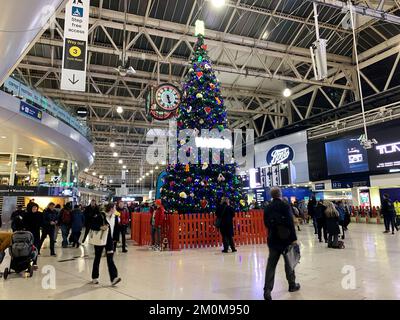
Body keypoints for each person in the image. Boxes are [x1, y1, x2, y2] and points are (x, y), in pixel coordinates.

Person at [263, 187, 300, 300]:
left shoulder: (268, 207)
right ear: (280, 194)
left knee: (271, 265)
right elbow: (290, 222)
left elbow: (266, 223)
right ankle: (292, 285)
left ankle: (267, 291)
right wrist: (294, 239)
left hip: (273, 239)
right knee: (289, 262)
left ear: (271, 195)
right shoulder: (285, 206)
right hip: (286, 239)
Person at [90, 203, 121, 286]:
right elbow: (92, 225)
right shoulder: (101, 216)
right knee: (98, 258)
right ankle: (94, 277)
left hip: (110, 241)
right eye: (114, 208)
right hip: (100, 240)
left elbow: (116, 229)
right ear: (111, 209)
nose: (115, 209)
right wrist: (100, 227)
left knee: (110, 259)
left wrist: (116, 239)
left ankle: (114, 278)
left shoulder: (115, 217)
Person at [23, 203, 42, 268]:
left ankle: (34, 262)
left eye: (36, 208)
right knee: (27, 248)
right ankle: (27, 262)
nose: (35, 209)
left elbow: (42, 223)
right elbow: (23, 224)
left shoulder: (39, 214)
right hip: (28, 234)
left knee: (35, 248)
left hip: (36, 234)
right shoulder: (26, 215)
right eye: (33, 208)